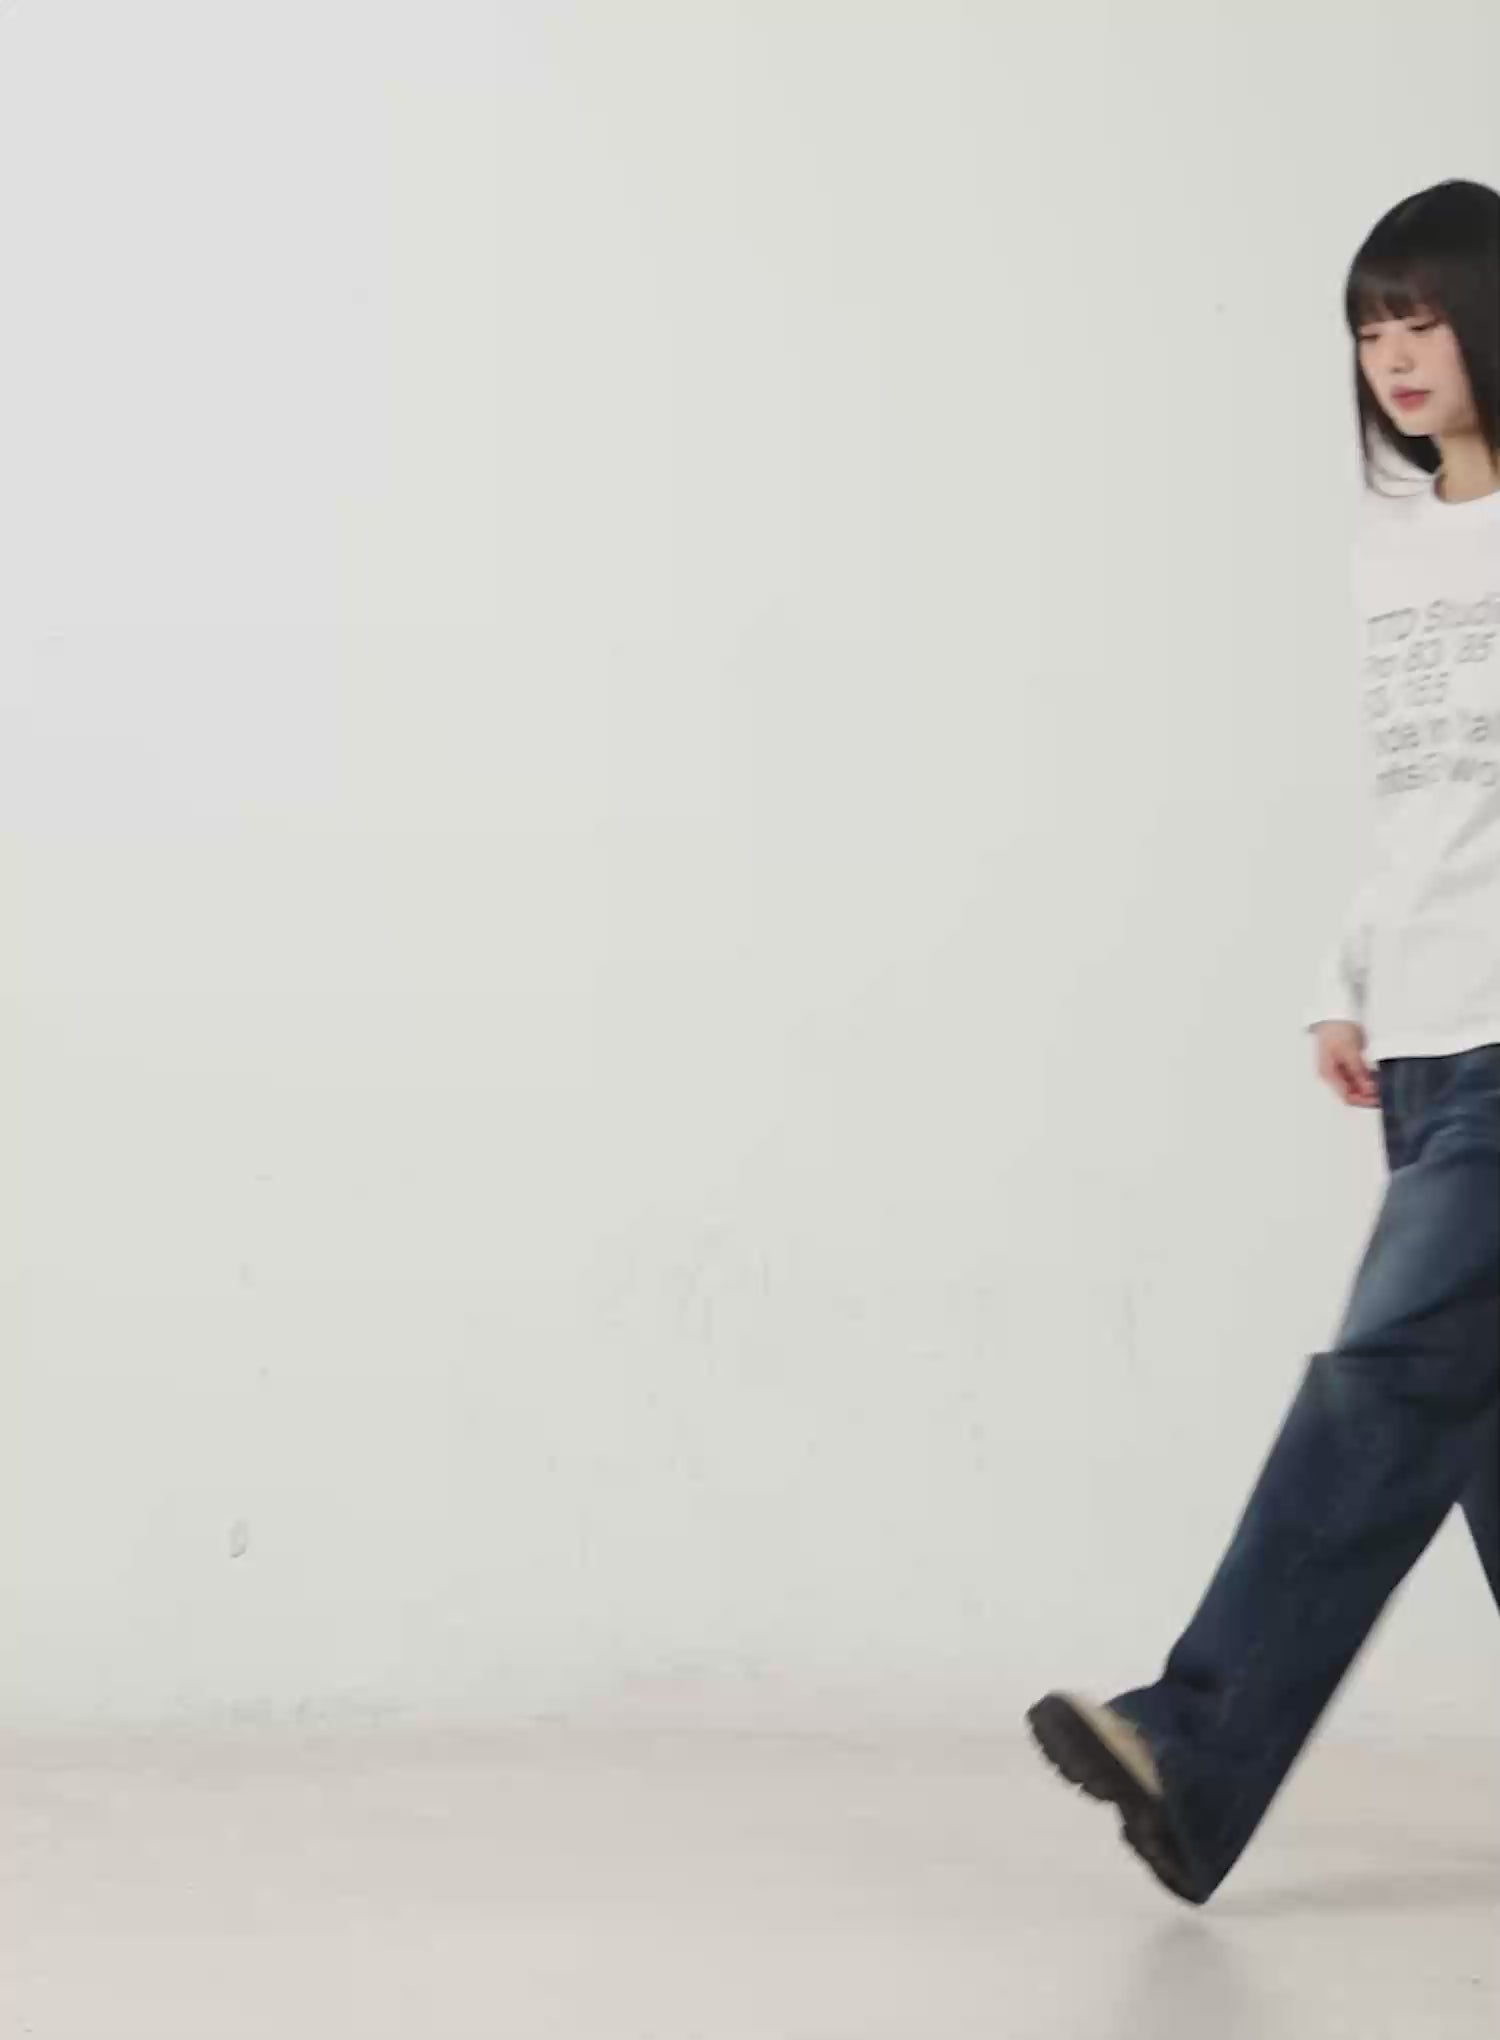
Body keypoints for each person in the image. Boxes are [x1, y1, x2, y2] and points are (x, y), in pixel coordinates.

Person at [1026, 178, 1500, 1907]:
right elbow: (1429, 800)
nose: (1395, 357)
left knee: (1385, 1380)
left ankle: (1199, 1735)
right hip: (1430, 1041)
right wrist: (1345, 972)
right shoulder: (1397, 551)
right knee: (1470, 1429)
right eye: (1370, 330)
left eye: (1423, 318)